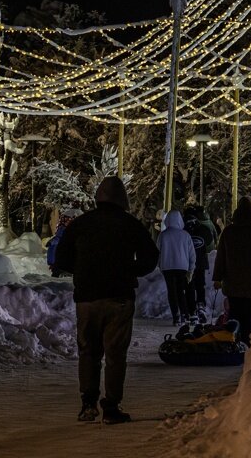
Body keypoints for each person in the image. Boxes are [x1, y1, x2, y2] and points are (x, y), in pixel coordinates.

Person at [53, 177, 159, 425]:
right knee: (115, 354)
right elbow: (151, 256)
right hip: (119, 297)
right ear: (123, 200)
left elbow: (62, 258)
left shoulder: (81, 224)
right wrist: (130, 270)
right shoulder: (129, 224)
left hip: (87, 298)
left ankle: (88, 404)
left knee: (88, 351)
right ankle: (111, 406)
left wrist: (82, 269)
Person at [212, 196, 251, 345]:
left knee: (235, 318)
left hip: (233, 284)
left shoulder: (228, 231)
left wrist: (217, 278)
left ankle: (234, 345)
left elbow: (221, 257)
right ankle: (249, 348)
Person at [157, 209, 197, 325]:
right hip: (182, 267)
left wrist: (160, 265)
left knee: (172, 291)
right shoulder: (185, 235)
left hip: (167, 267)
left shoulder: (163, 235)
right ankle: (184, 314)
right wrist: (191, 269)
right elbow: (191, 255)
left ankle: (176, 315)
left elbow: (158, 252)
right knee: (180, 291)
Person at [183, 203, 217, 319]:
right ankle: (200, 304)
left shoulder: (182, 230)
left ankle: (189, 307)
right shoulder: (203, 229)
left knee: (189, 284)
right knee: (200, 284)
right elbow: (208, 243)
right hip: (201, 261)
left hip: (187, 263)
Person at [46, 209, 77, 277]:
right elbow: (59, 238)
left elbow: (59, 238)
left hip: (60, 258)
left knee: (58, 272)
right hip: (58, 259)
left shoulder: (66, 229)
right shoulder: (65, 229)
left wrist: (51, 242)